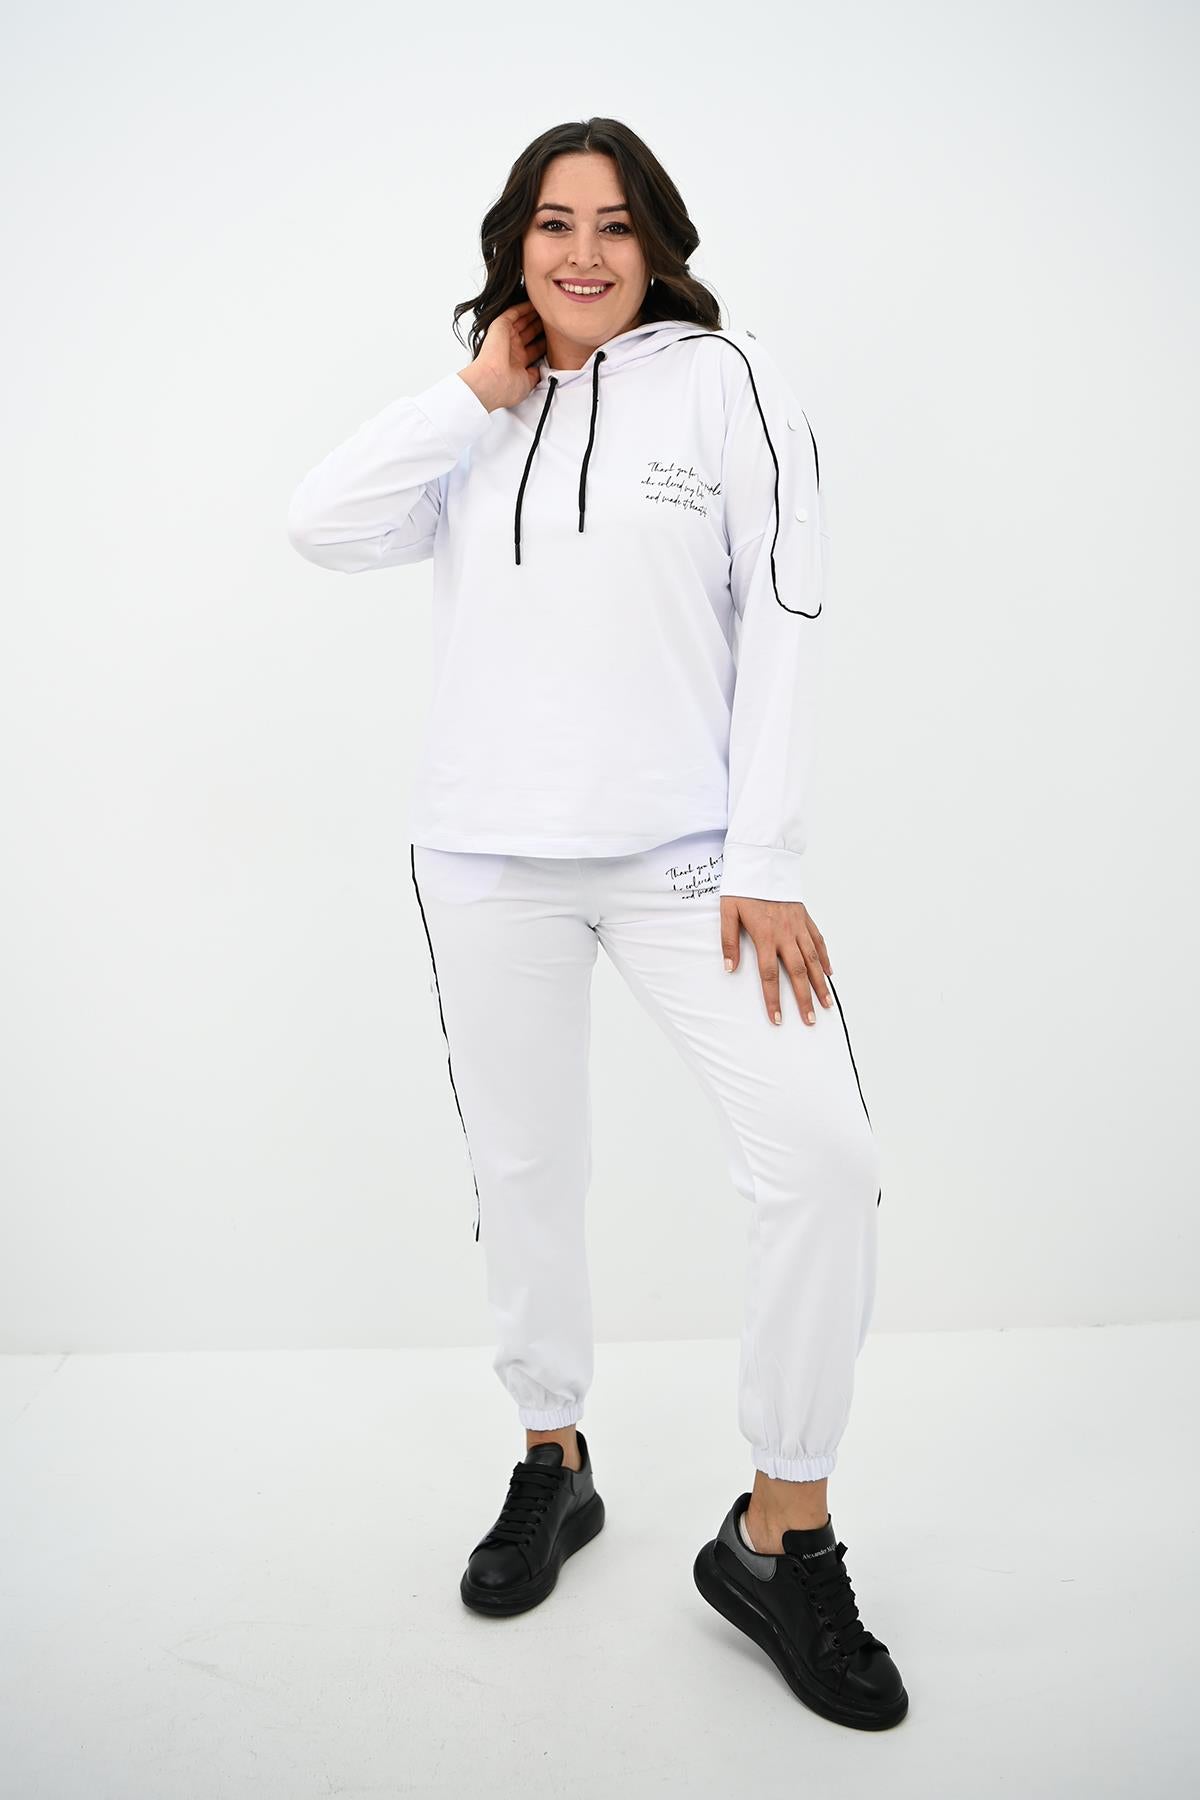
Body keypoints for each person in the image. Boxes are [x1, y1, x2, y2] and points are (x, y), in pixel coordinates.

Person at [287, 116, 907, 1731]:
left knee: (822, 1158)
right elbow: (321, 523)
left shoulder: (726, 384)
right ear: (515, 243)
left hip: (693, 865)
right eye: (554, 223)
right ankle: (551, 1456)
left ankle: (782, 1529)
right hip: (484, 859)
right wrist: (472, 395)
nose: (583, 253)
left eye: (615, 224)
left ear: (659, 244)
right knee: (525, 1170)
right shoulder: (479, 416)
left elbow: (786, 609)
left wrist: (766, 852)